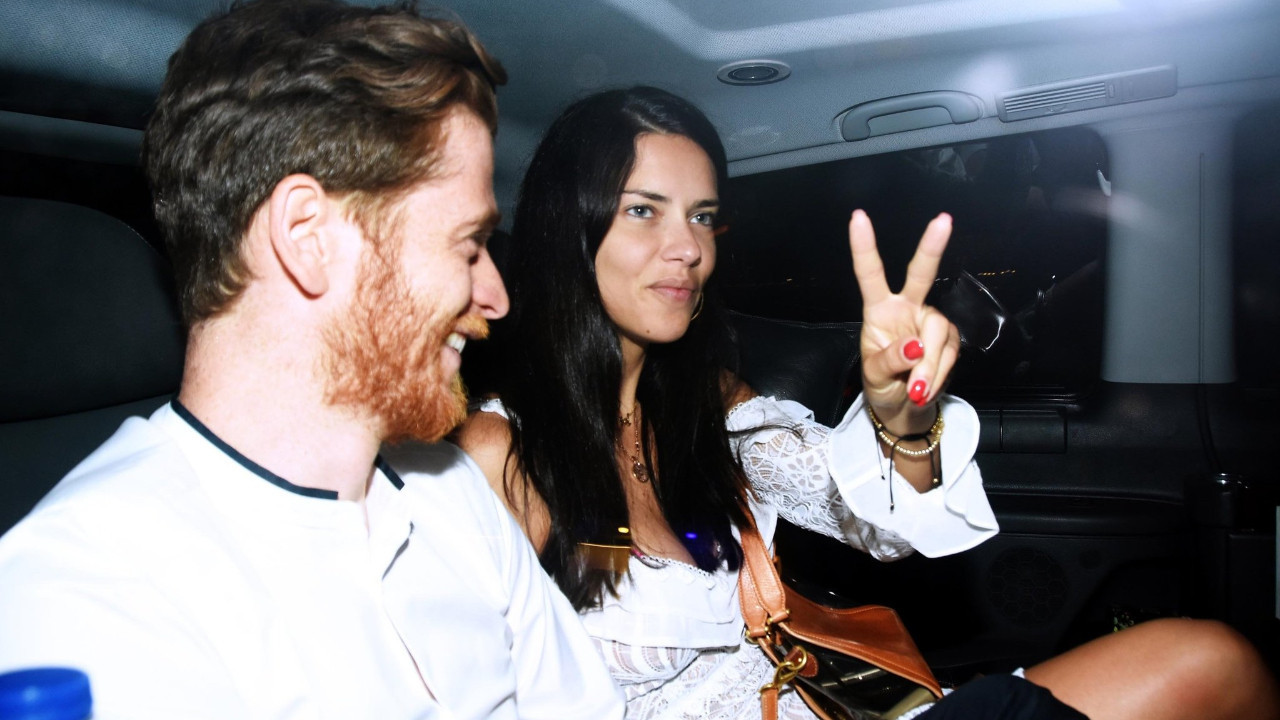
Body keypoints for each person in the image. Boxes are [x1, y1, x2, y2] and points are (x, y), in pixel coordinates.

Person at [455, 86, 1279, 720]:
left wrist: (901, 418)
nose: (688, 248)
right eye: (644, 211)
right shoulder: (500, 455)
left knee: (1212, 662)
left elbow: (874, 523)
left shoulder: (709, 406)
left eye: (703, 217)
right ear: (571, 228)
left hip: (829, 706)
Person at [0, 2, 624, 718]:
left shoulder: (452, 491)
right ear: (307, 236)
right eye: (468, 245)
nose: (496, 297)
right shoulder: (84, 599)